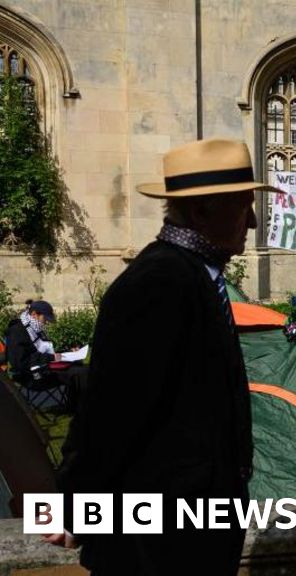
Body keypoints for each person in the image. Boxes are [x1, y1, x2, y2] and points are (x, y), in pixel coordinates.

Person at [52, 139, 283, 574]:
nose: (253, 222)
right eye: (243, 207)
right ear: (201, 213)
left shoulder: (191, 275)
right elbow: (111, 413)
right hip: (159, 542)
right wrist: (73, 506)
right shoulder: (159, 282)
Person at [4, 300, 89, 412]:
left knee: (80, 366)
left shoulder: (34, 328)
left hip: (43, 368)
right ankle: (80, 408)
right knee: (79, 372)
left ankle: (74, 405)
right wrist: (51, 358)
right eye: (45, 319)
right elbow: (19, 362)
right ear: (34, 314)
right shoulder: (17, 331)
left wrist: (69, 352)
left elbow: (45, 351)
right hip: (31, 376)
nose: (46, 322)